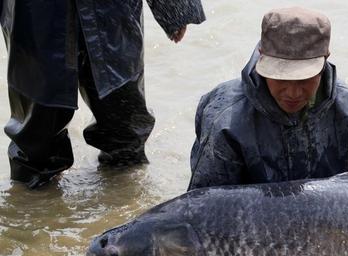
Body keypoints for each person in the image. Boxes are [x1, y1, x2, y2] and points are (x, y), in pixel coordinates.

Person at [188, 7, 348, 256]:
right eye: (280, 77)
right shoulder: (225, 120)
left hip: (325, 238)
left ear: (325, 60)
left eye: (305, 79)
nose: (292, 91)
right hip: (249, 247)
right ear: (262, 57)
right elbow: (204, 216)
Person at [0, 0, 206, 189]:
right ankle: (33, 212)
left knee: (124, 122)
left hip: (110, 11)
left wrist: (174, 9)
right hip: (34, 11)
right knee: (36, 134)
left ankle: (123, 203)